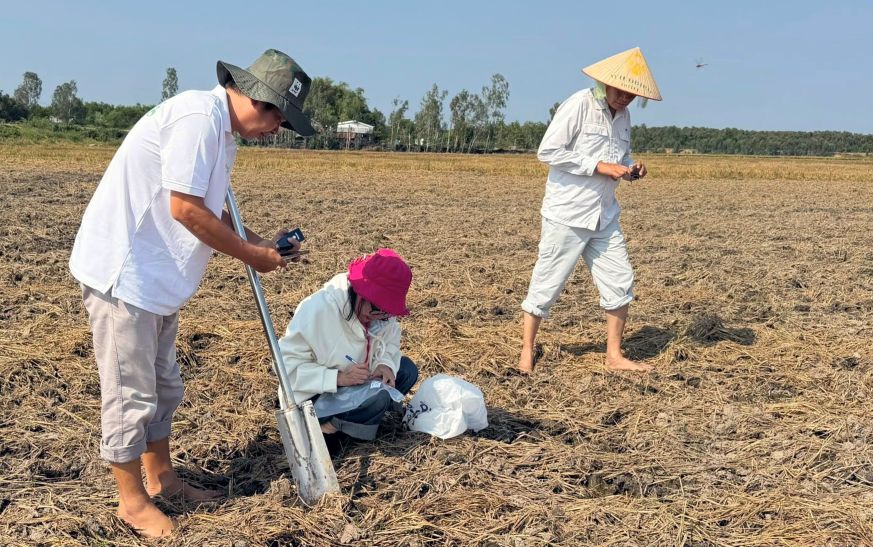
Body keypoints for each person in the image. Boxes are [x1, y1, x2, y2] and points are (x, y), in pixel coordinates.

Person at [69, 49, 315, 538]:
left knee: (163, 387)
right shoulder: (198, 120)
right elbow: (183, 209)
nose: (276, 130)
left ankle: (162, 480)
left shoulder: (222, 133)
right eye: (279, 119)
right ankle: (131, 501)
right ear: (257, 100)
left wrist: (257, 243)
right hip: (125, 277)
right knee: (130, 394)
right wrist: (249, 257)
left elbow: (208, 204)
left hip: (156, 281)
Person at [518, 47, 662, 374]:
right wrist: (598, 166)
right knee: (547, 283)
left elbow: (620, 156)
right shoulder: (578, 104)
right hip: (567, 213)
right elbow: (548, 151)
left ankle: (614, 355)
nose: (625, 97)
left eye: (632, 93)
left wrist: (630, 167)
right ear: (606, 84)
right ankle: (527, 349)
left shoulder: (624, 116)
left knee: (620, 281)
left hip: (605, 215)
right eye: (621, 90)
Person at [278, 249, 419, 442]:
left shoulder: (381, 315)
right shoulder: (318, 310)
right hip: (318, 395)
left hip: (358, 384)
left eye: (387, 313)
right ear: (360, 292)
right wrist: (339, 378)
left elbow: (390, 344)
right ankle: (327, 430)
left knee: (407, 370)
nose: (380, 317)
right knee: (379, 398)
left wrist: (384, 365)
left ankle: (358, 418)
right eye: (377, 309)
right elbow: (285, 369)